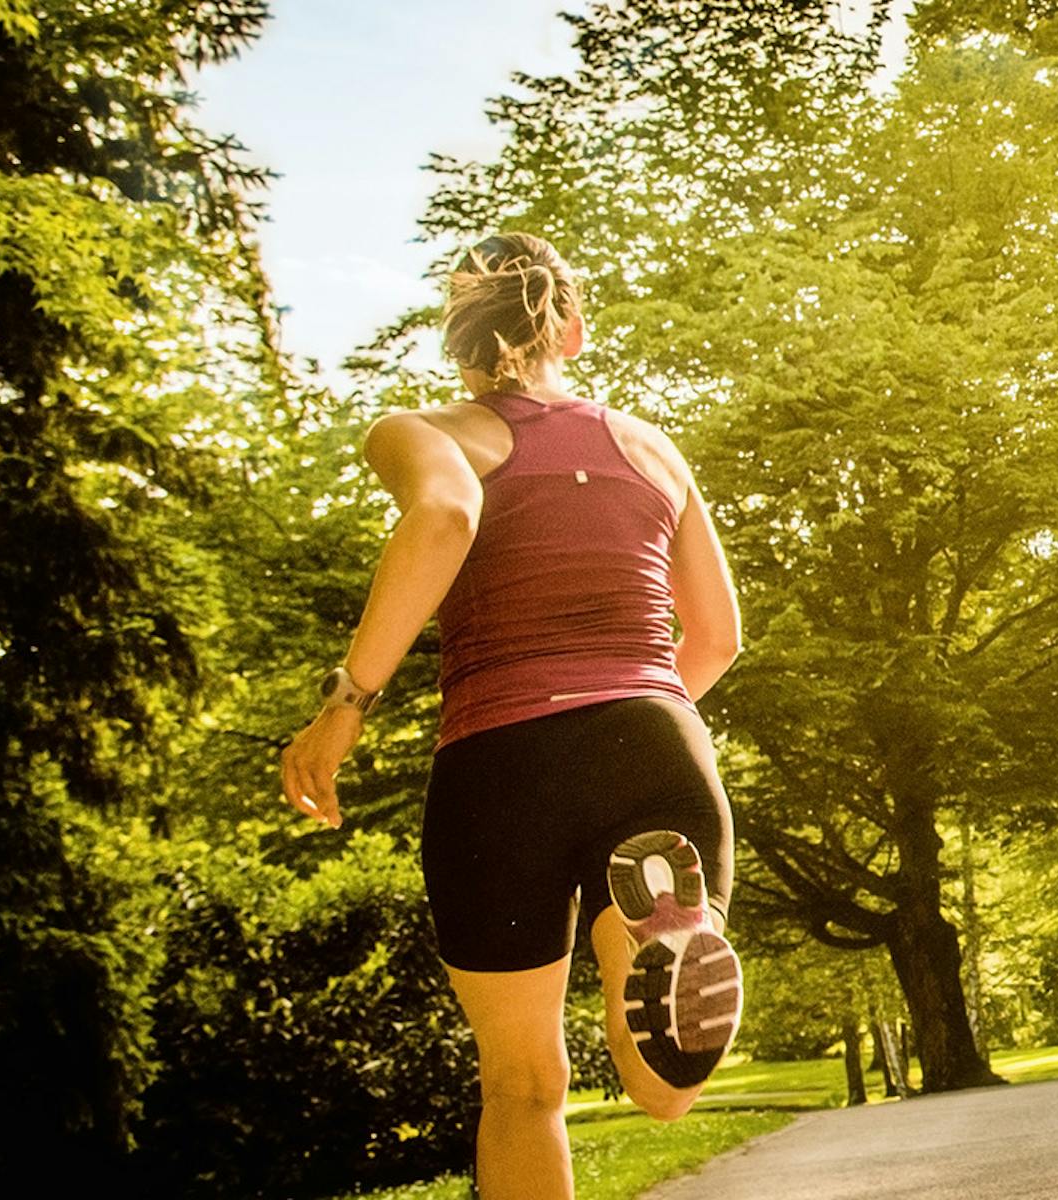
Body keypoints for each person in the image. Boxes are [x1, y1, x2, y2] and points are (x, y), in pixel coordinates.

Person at [277, 234, 748, 1200]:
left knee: (524, 1085)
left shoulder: (421, 430)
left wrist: (346, 705)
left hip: (499, 763)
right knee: (659, 1089)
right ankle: (669, 940)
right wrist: (620, 721)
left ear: (457, 341)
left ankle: (661, 955)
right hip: (655, 736)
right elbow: (717, 639)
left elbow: (444, 518)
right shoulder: (652, 447)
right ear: (570, 330)